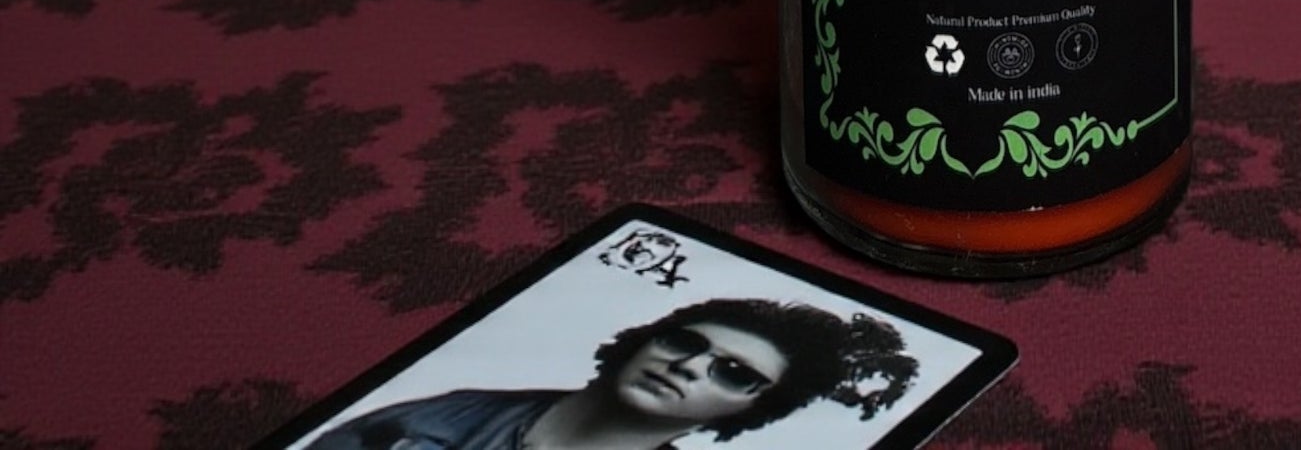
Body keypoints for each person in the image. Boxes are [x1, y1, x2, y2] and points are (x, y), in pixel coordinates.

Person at [309, 296, 917, 449]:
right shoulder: (451, 413)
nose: (688, 366)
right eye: (684, 341)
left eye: (734, 374)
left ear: (753, 409)